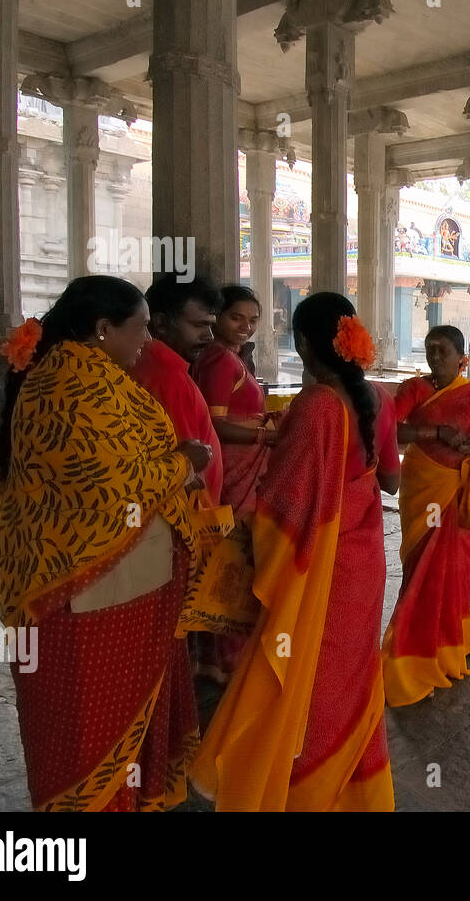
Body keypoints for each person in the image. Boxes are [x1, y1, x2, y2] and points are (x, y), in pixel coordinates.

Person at [0, 274, 215, 811]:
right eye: (138, 329)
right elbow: (114, 485)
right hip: (88, 589)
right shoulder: (74, 384)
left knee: (105, 724)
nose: (146, 341)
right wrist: (185, 462)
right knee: (89, 725)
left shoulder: (89, 376)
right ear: (102, 328)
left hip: (118, 586)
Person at [191, 292, 401, 811]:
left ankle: (304, 789)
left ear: (303, 343)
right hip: (362, 560)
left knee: (313, 676)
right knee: (349, 672)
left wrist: (252, 536)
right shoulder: (370, 397)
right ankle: (350, 788)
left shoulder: (316, 407)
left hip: (323, 568)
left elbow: (285, 506)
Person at [382, 325, 470, 707]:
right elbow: (392, 431)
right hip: (425, 490)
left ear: (461, 356)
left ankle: (459, 642)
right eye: (430, 350)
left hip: (458, 489)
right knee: (424, 571)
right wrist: (436, 432)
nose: (435, 357)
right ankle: (412, 659)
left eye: (443, 351)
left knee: (457, 571)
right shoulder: (413, 389)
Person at [189, 285, 280, 684]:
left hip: (239, 464)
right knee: (234, 557)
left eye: (253, 320)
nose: (245, 327)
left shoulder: (227, 358)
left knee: (229, 558)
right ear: (218, 318)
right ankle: (226, 659)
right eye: (236, 318)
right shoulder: (220, 362)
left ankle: (215, 656)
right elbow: (216, 422)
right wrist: (267, 436)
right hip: (234, 467)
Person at [131, 276, 225, 504]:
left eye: (211, 326)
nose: (209, 336)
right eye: (199, 325)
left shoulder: (158, 365)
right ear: (161, 323)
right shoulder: (166, 376)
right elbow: (189, 465)